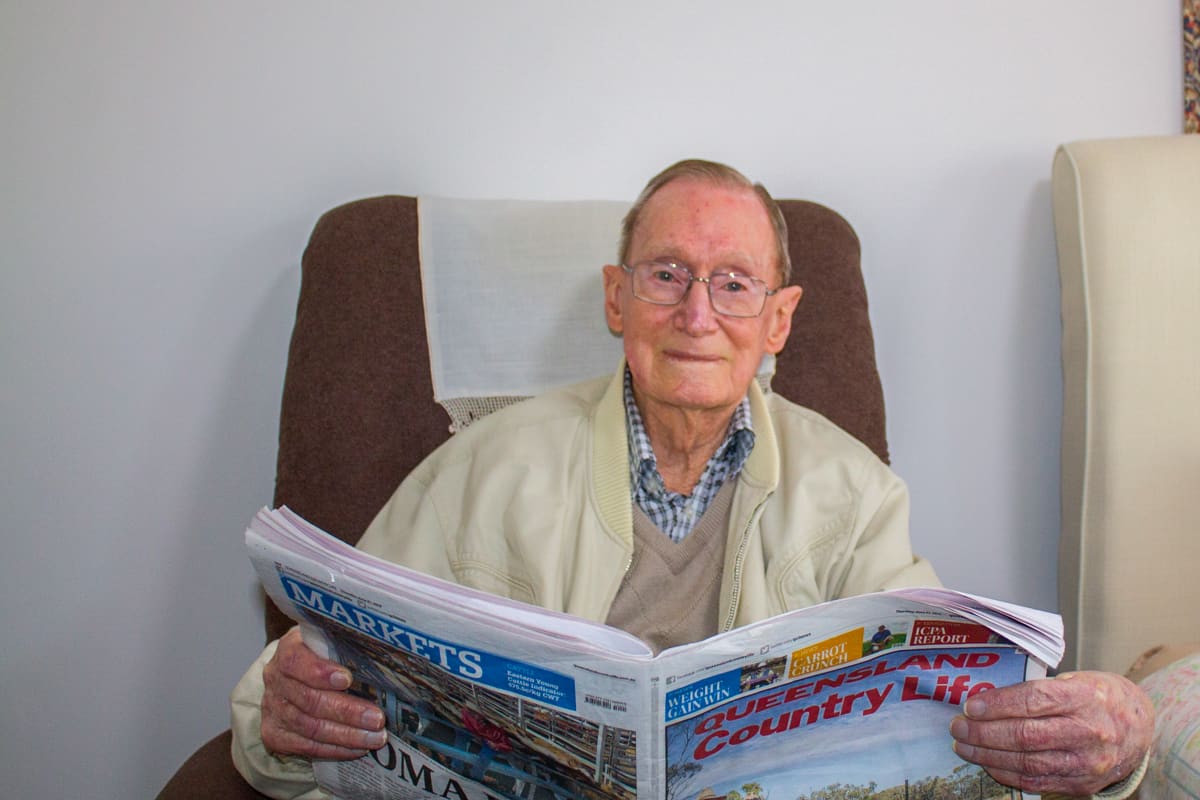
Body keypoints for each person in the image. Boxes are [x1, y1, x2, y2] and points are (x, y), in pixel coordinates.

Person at [230, 159, 1153, 798]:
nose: (697, 314)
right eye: (667, 273)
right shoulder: (481, 468)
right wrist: (282, 711)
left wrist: (1110, 746)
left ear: (780, 320)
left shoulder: (858, 494)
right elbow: (308, 673)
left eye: (735, 282)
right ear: (616, 298)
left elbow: (942, 715)